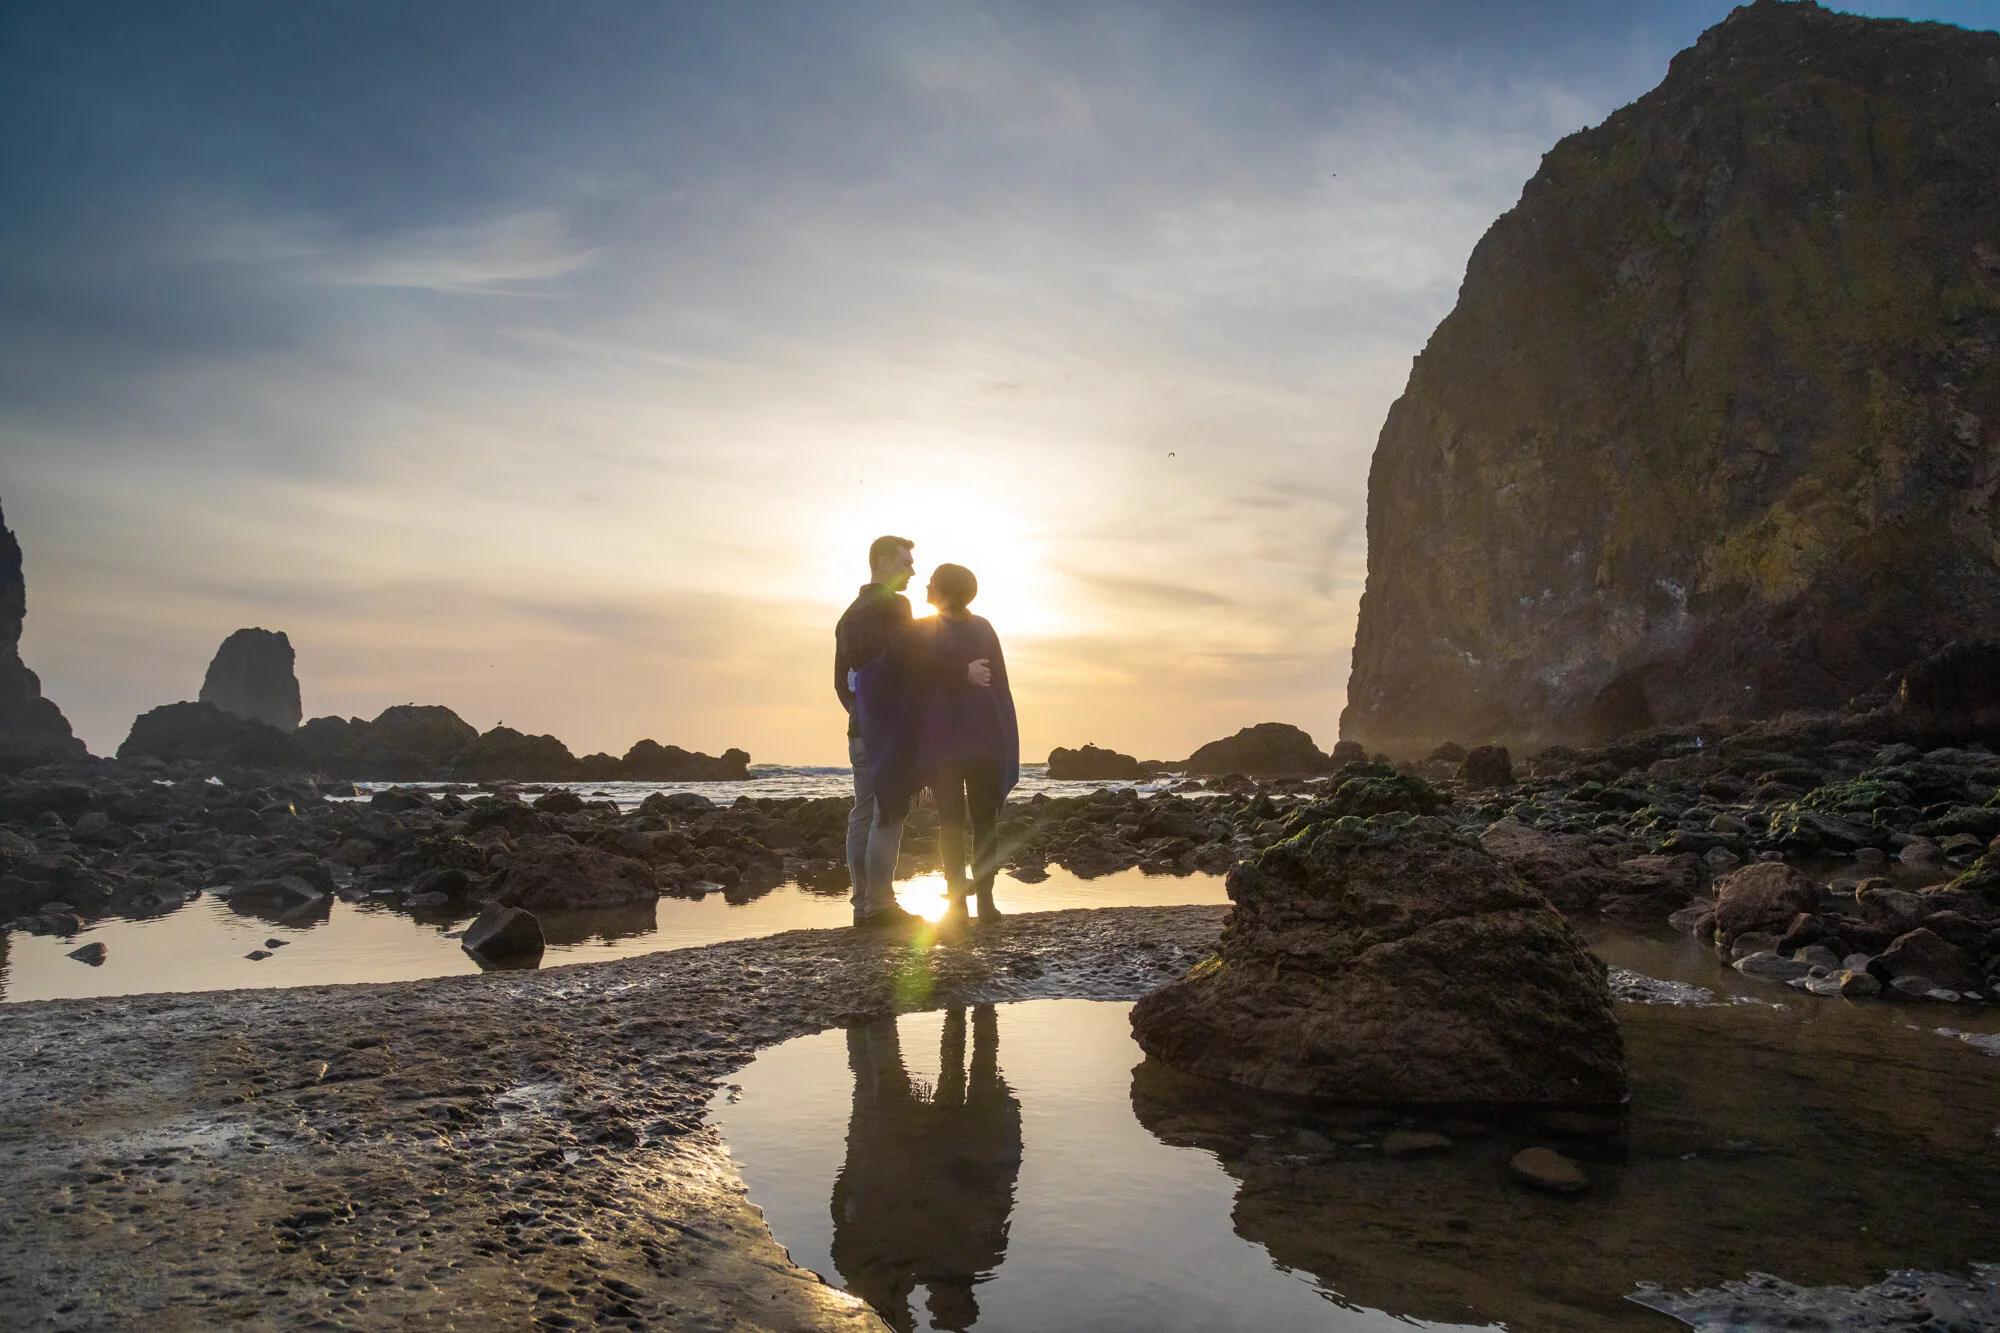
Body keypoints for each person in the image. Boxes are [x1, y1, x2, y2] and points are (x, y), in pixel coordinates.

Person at [835, 536, 992, 928]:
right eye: (905, 562)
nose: (912, 571)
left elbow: (841, 682)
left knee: (864, 811)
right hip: (888, 730)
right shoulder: (894, 605)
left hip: (860, 729)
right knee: (889, 812)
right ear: (884, 563)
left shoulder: (849, 614)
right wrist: (963, 672)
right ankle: (880, 906)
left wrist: (860, 713)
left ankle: (861, 905)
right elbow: (913, 658)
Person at [893, 563, 1019, 922]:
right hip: (983, 742)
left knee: (950, 823)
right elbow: (1000, 691)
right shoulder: (983, 628)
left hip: (944, 746)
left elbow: (907, 663)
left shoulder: (921, 631)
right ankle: (986, 904)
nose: (926, 587)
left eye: (932, 583)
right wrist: (1006, 738)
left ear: (945, 591)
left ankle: (959, 906)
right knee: (983, 823)